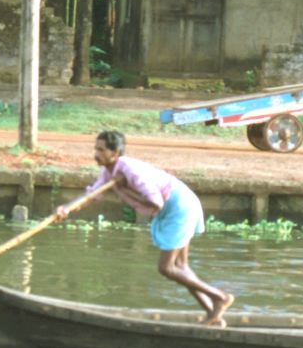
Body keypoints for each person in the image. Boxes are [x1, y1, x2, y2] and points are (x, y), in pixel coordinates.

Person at [54, 130, 235, 326]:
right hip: (173, 206)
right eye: (95, 149)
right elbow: (91, 195)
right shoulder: (108, 172)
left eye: (101, 150)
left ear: (115, 153)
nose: (96, 154)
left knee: (166, 268)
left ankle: (220, 297)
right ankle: (213, 313)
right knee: (181, 267)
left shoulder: (130, 170)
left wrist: (123, 186)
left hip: (178, 206)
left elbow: (155, 202)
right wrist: (66, 209)